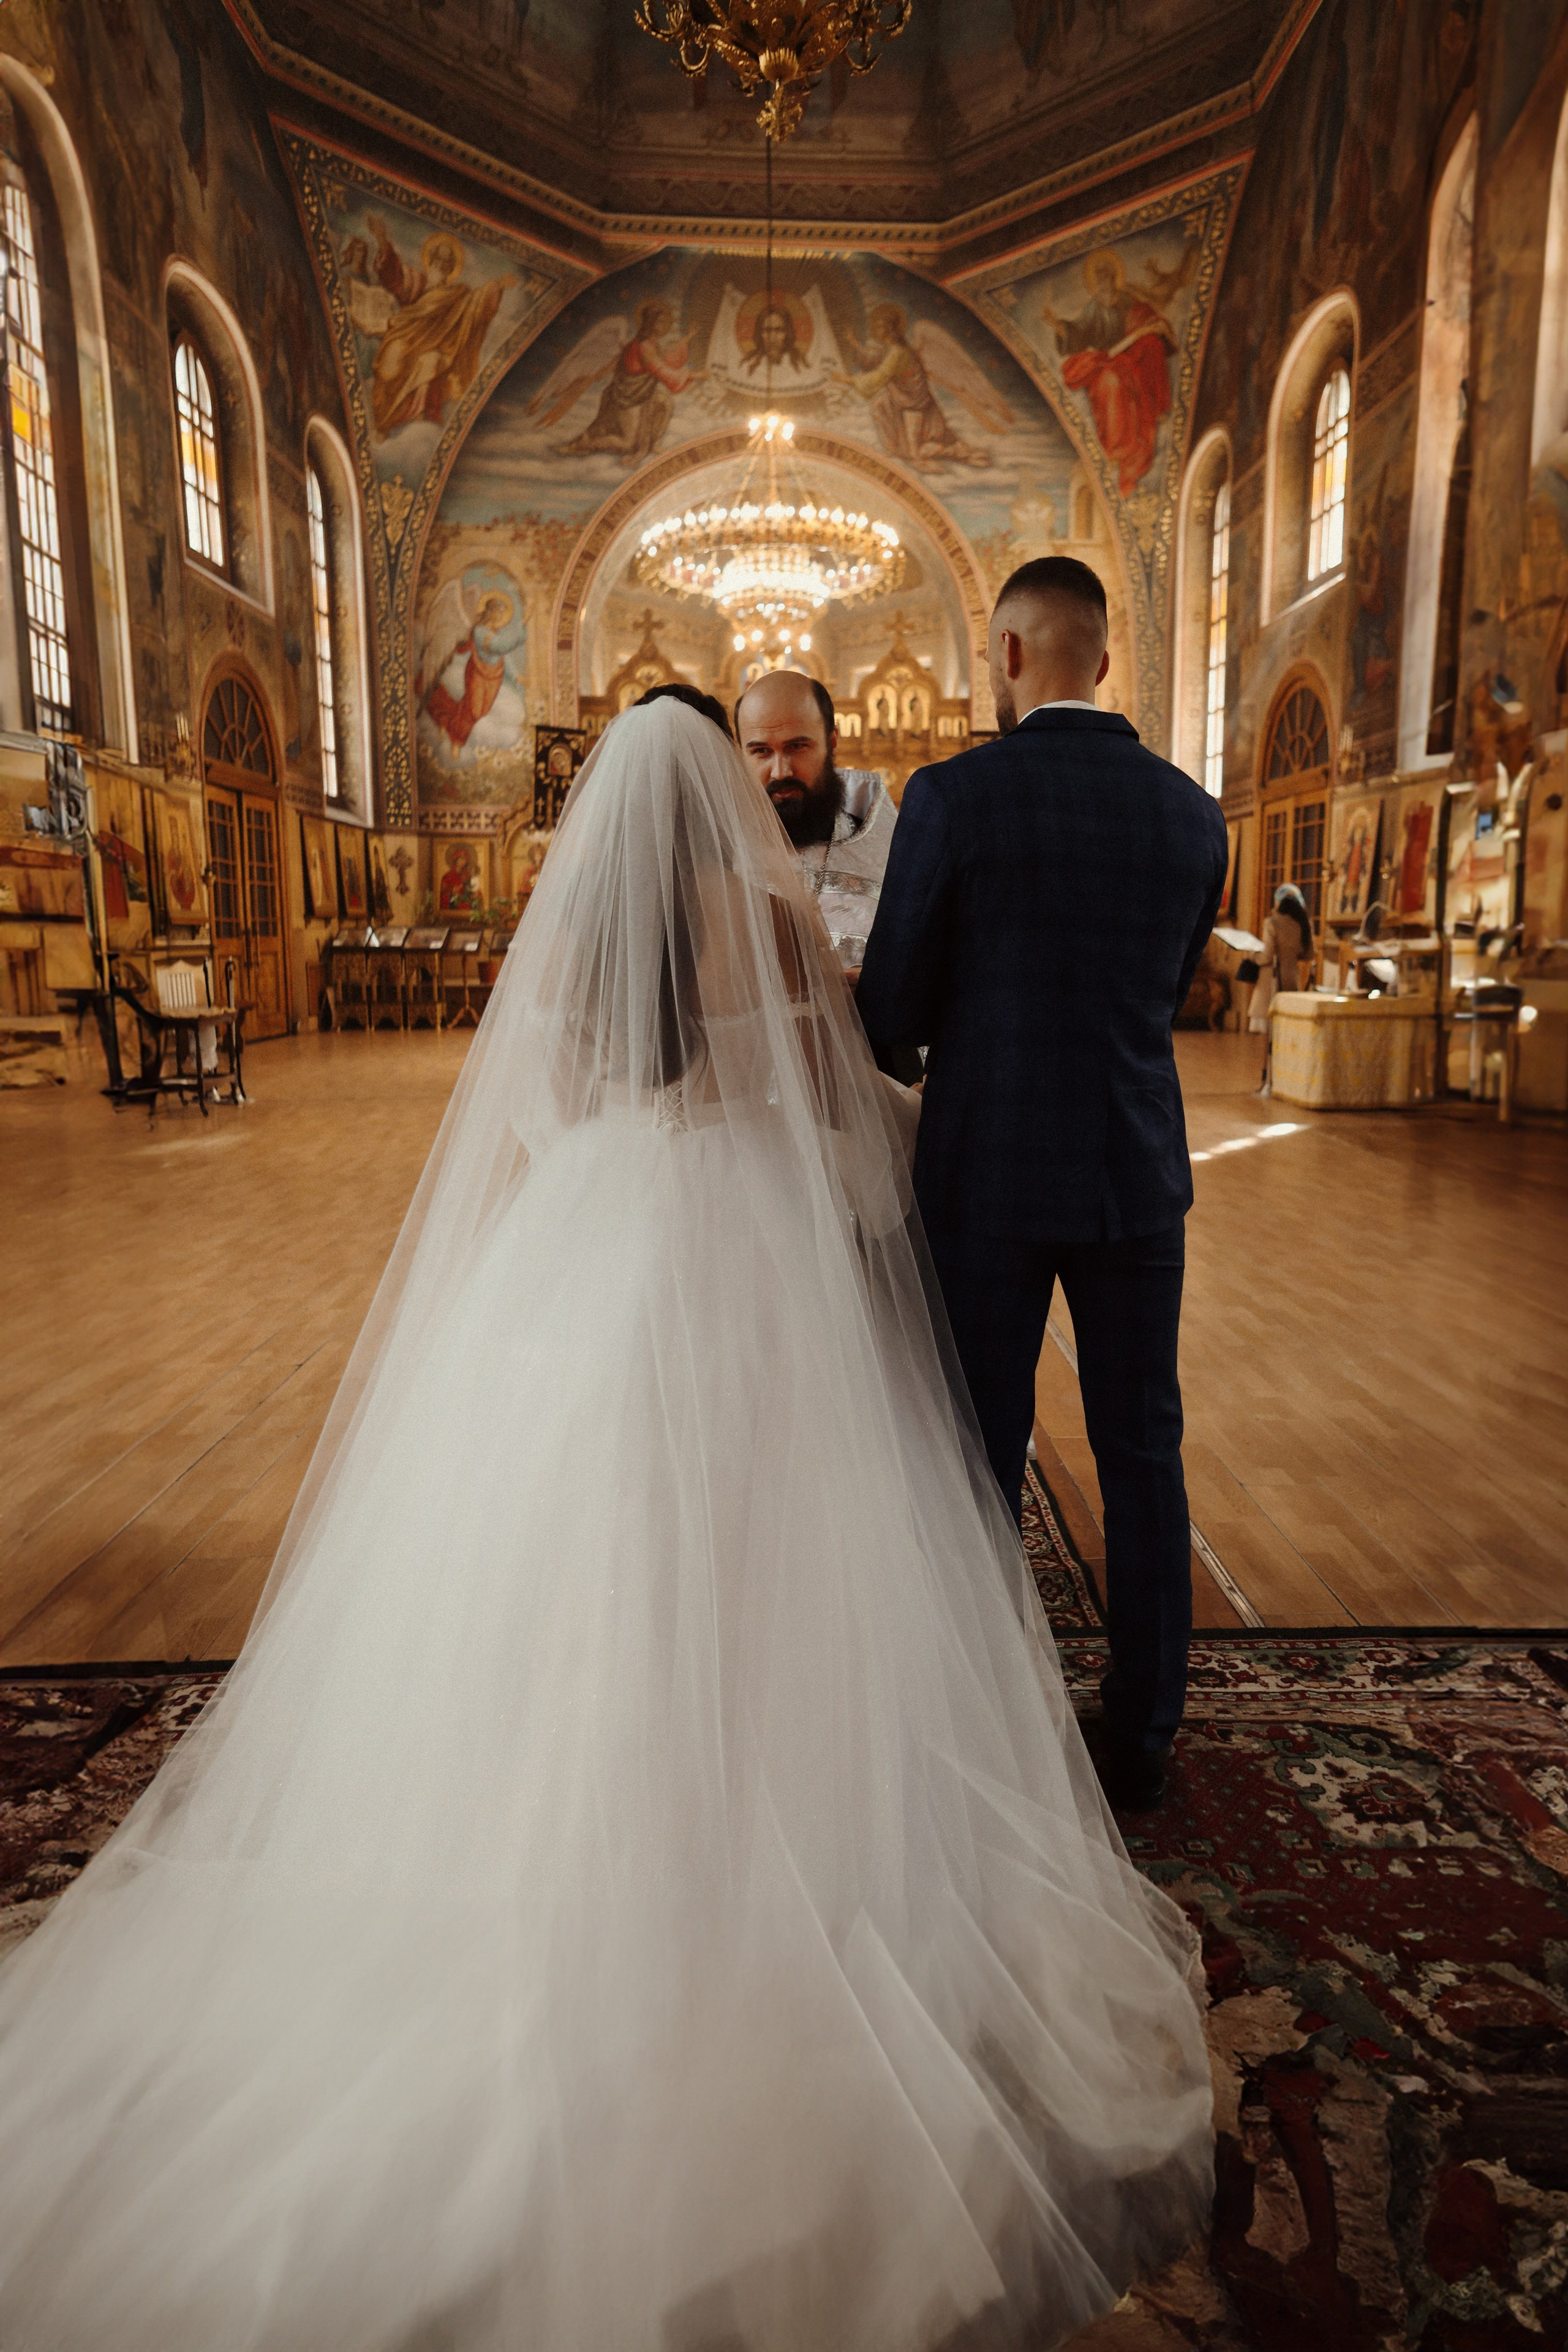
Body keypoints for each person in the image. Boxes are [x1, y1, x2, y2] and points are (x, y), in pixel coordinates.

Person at [0, 700, 1212, 2351]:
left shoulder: (561, 941)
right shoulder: (769, 922)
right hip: (742, 1258)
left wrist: (499, 1308)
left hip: (588, 1249)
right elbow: (838, 1109)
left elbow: (526, 1122)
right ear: (727, 786)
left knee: (555, 1582)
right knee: (770, 1559)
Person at [857, 557, 1228, 1814]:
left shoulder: (955, 797)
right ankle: (1143, 1731)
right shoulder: (1189, 812)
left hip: (987, 1170)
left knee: (976, 1451)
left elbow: (892, 1005)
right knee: (1141, 1448)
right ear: (1104, 660)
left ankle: (972, 1717)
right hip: (1132, 1166)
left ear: (1007, 656)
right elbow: (1170, 986)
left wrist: (929, 1044)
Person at [733, 666, 895, 970]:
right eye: (761, 752)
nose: (781, 771)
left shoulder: (891, 847)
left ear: (832, 741)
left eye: (797, 747)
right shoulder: (723, 854)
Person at [1248, 881, 1315, 1090]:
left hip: (1271, 982)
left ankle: (1266, 1079)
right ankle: (1286, 1078)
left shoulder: (1272, 922)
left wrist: (1252, 955)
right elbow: (1309, 954)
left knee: (1268, 1034)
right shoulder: (1301, 923)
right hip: (1291, 980)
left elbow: (1267, 956)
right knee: (1287, 1032)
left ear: (1278, 903)